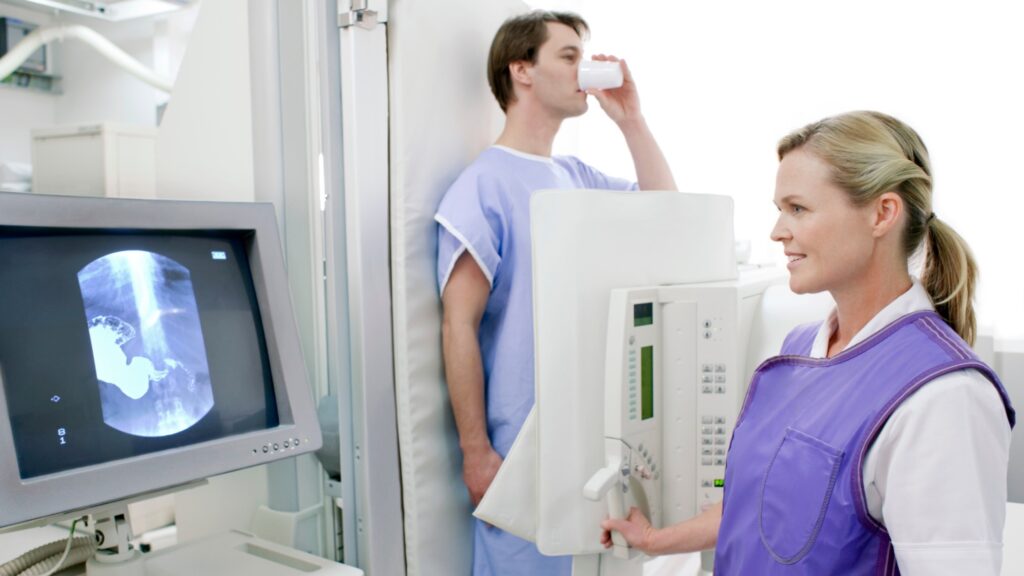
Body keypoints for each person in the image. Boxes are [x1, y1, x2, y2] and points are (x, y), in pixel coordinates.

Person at [601, 111, 1015, 575]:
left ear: (882, 213)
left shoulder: (942, 397)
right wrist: (656, 540)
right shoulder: (798, 351)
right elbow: (759, 512)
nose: (778, 231)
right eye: (780, 209)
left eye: (798, 209)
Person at [435, 9, 676, 576]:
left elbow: (667, 210)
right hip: (522, 454)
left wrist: (632, 120)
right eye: (568, 56)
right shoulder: (482, 187)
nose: (582, 69)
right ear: (522, 70)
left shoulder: (575, 175)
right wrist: (476, 452)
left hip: (589, 441)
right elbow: (458, 325)